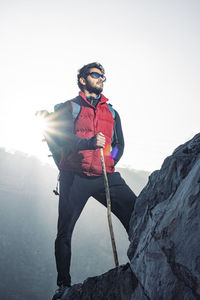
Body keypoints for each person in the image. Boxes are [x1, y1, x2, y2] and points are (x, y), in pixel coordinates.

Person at [51, 62, 137, 299]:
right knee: (64, 232)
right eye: (96, 75)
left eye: (103, 76)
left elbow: (119, 145)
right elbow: (60, 138)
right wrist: (87, 145)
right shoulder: (68, 108)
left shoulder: (111, 111)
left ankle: (141, 261)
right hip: (74, 177)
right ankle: (63, 285)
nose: (101, 79)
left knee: (138, 212)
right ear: (82, 79)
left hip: (105, 175)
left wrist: (110, 162)